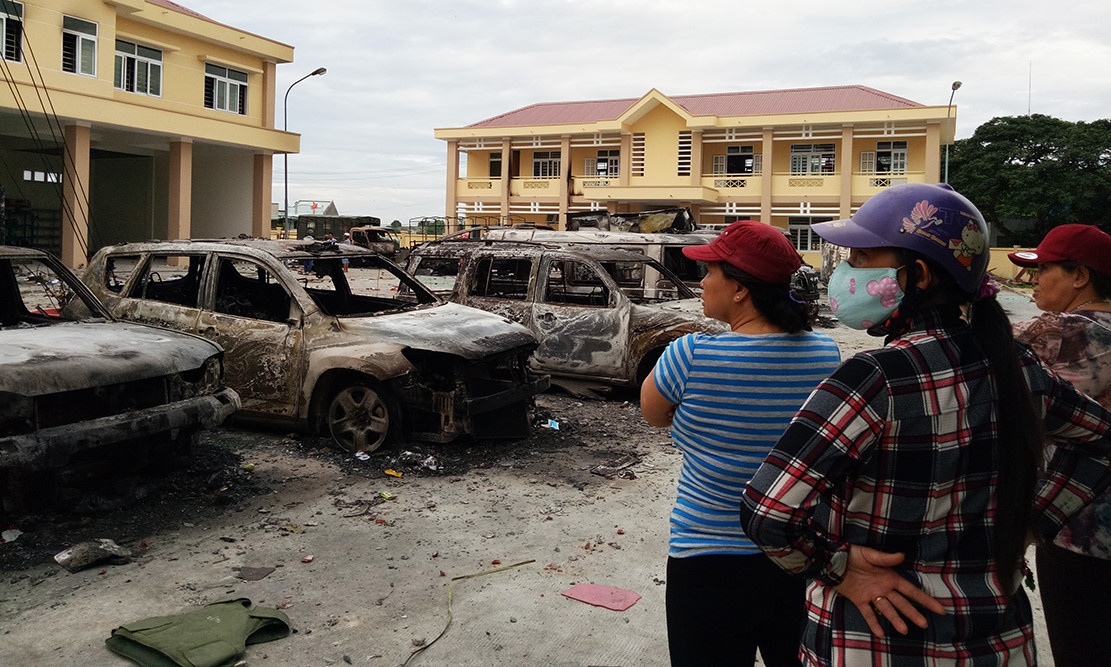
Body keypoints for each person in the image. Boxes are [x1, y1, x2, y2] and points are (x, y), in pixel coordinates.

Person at [738, 183, 1111, 666]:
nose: (845, 272)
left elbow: (767, 513)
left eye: (863, 257)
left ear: (916, 275)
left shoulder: (873, 380)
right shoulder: (1020, 368)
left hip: (874, 642)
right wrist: (1031, 519)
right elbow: (1102, 440)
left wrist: (838, 567)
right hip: (997, 641)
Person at [639, 220, 842, 667]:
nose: (702, 280)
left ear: (739, 290)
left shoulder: (691, 354)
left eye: (710, 271)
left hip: (707, 558)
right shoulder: (826, 354)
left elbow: (653, 414)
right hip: (798, 555)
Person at [1008, 224, 1111, 667]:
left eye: (1043, 270)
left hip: (1078, 531)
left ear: (1079, 276)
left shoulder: (1060, 330)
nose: (1032, 281)